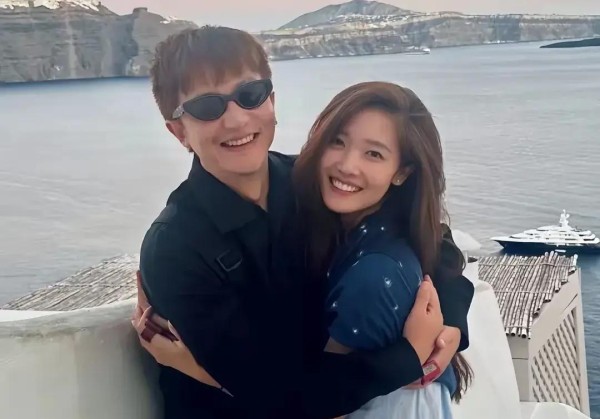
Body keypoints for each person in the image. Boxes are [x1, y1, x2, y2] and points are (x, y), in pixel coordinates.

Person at [133, 25, 475, 419]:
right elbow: (276, 393)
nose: (237, 120)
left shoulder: (308, 184)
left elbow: (427, 234)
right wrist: (408, 357)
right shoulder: (176, 247)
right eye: (208, 107)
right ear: (179, 131)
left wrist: (452, 320)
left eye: (250, 95)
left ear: (271, 101)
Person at [292, 81, 473, 417]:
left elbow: (321, 400)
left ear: (402, 173)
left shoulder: (375, 276)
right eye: (337, 141)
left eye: (373, 154)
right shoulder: (348, 219)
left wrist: (411, 354)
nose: (348, 165)